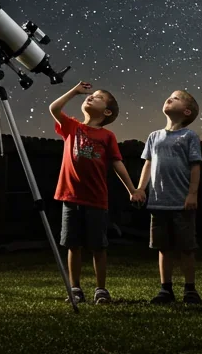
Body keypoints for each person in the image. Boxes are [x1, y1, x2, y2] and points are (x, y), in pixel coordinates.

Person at [49, 81, 144, 305]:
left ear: (107, 112)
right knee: (73, 245)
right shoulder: (71, 126)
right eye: (90, 96)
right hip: (71, 197)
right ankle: (75, 288)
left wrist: (133, 189)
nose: (90, 97)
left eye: (98, 97)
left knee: (98, 247)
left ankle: (101, 289)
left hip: (96, 199)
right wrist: (74, 91)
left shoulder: (107, 136)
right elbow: (54, 108)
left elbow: (117, 163)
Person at [135, 89, 202, 304]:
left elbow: (195, 166)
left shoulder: (189, 136)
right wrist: (140, 189)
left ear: (186, 111)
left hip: (181, 202)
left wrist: (192, 194)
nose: (169, 98)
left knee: (186, 248)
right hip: (159, 203)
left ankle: (190, 289)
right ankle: (166, 289)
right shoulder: (154, 136)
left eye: (176, 98)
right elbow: (148, 165)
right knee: (163, 248)